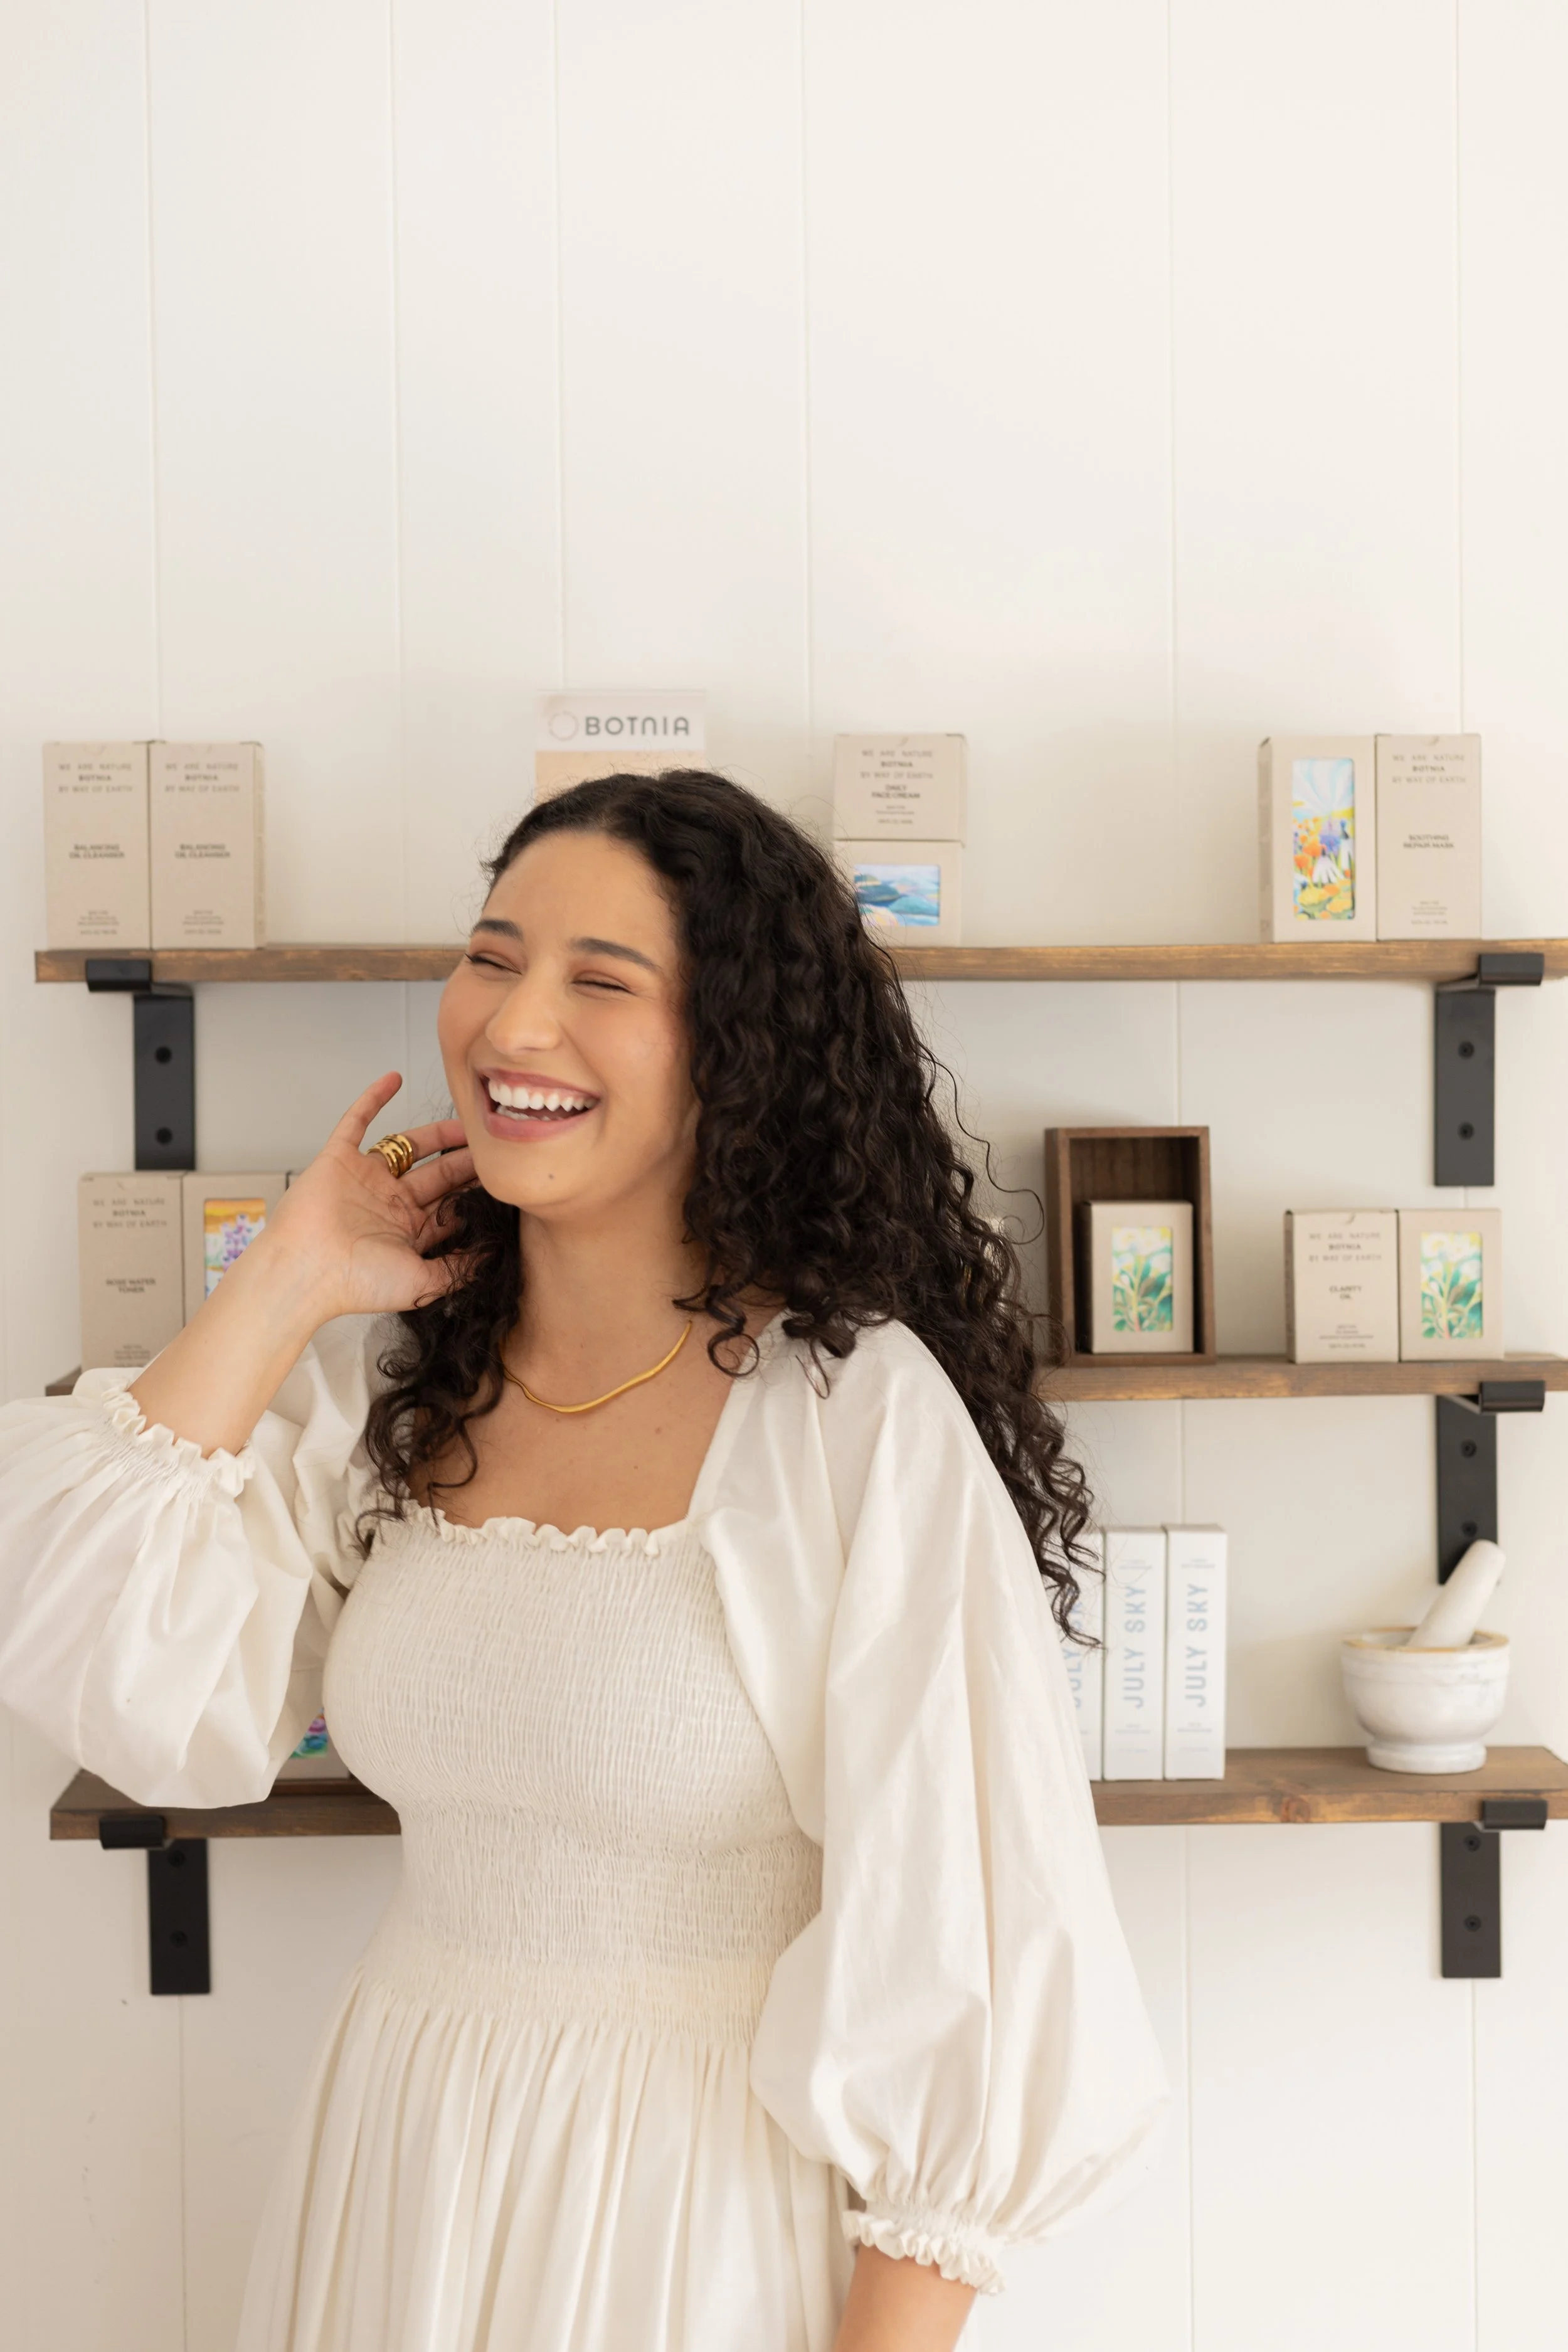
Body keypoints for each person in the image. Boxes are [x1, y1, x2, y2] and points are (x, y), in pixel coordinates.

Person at [0, 771, 1166, 2352]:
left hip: (690, 2209)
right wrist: (285, 1278)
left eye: (600, 981)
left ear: (730, 1049)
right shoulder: (397, 1381)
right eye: (491, 957)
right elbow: (108, 1668)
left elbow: (970, 1940)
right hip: (401, 2163)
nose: (511, 1023)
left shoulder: (849, 1414)